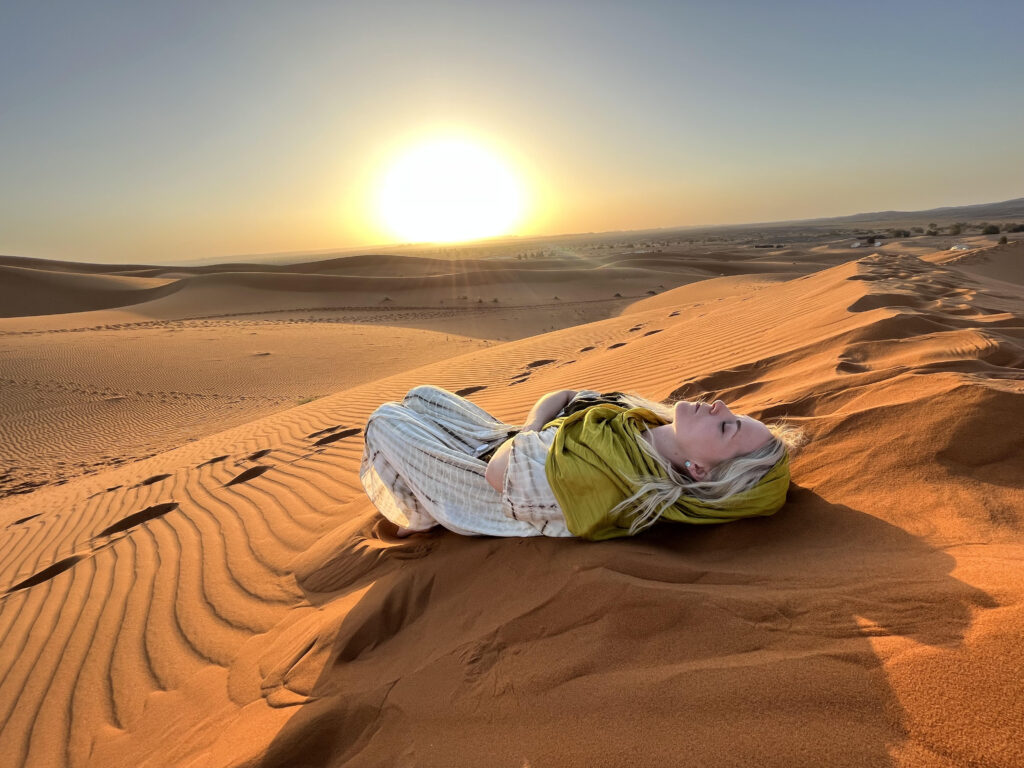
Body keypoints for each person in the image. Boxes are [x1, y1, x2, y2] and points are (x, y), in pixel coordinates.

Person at [358, 385, 804, 542]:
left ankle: (424, 514)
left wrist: (536, 435)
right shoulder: (642, 417)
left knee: (384, 420)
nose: (722, 406)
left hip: (474, 487)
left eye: (728, 428)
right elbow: (567, 396)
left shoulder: (614, 476)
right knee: (421, 395)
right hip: (509, 442)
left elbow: (498, 475)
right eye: (735, 415)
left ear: (699, 471)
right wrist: (531, 429)